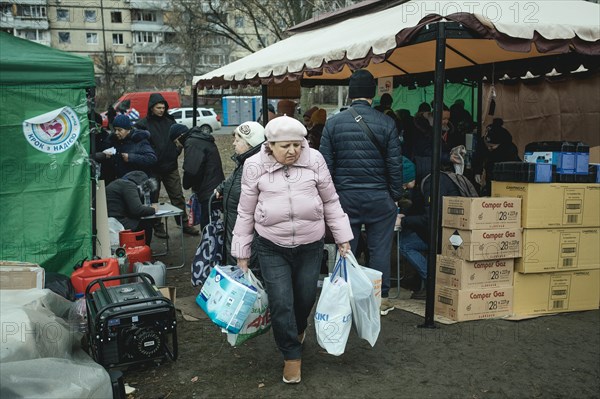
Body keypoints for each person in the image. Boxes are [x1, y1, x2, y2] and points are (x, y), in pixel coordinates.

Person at [231, 115, 353, 385]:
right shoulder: (253, 166)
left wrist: (343, 238)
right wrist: (242, 251)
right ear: (270, 145)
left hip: (311, 244)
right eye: (285, 146)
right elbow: (245, 210)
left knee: (306, 296)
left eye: (297, 145)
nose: (292, 151)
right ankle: (291, 355)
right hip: (271, 245)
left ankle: (298, 329)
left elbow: (331, 201)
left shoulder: (315, 160)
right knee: (281, 300)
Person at [320, 69, 404, 316]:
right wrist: (394, 196)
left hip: (345, 199)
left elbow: (325, 167)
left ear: (349, 94)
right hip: (379, 198)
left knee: (346, 248)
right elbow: (394, 165)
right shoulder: (387, 123)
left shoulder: (333, 124)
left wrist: (331, 199)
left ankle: (344, 298)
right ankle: (380, 299)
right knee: (380, 249)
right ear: (373, 93)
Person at [135, 93, 198, 237]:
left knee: (177, 196)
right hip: (152, 170)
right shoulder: (142, 124)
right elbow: (138, 144)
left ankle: (184, 223)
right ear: (151, 108)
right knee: (153, 199)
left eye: (163, 107)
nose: (161, 110)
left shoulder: (170, 121)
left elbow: (179, 137)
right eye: (158, 107)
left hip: (170, 167)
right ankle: (157, 227)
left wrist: (176, 151)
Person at [214, 121, 266, 268]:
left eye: (237, 140)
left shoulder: (256, 166)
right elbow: (234, 180)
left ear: (250, 144)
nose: (233, 144)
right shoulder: (244, 163)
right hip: (235, 232)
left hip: (250, 241)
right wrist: (221, 188)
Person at [169, 123, 225, 232]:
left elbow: (191, 170)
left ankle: (209, 247)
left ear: (180, 136)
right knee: (215, 223)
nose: (178, 145)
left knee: (207, 226)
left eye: (176, 142)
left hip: (207, 190)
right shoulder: (200, 139)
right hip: (215, 185)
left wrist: (186, 184)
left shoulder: (192, 142)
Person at [106, 171, 157, 245]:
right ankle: (144, 250)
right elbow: (137, 210)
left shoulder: (119, 183)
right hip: (117, 222)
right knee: (146, 224)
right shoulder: (129, 186)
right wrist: (153, 209)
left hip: (110, 219)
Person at [473, 118, 521, 195]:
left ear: (500, 144)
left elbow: (512, 167)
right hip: (490, 173)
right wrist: (477, 172)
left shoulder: (509, 149)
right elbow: (478, 157)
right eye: (487, 146)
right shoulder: (482, 143)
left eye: (492, 147)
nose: (489, 148)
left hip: (506, 177)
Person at [102, 114, 157, 179]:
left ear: (128, 130)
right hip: (118, 181)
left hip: (135, 182)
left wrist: (131, 157)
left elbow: (152, 159)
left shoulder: (139, 141)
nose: (116, 132)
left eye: (119, 130)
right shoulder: (113, 140)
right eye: (115, 130)